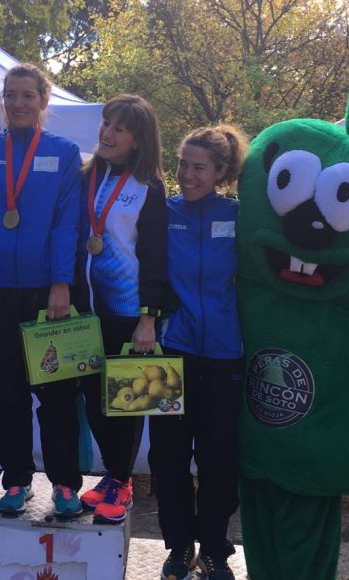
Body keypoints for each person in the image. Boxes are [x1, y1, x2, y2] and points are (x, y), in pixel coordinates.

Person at [0, 63, 82, 518]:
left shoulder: (64, 152)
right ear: (2, 101)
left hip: (43, 292)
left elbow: (65, 223)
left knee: (55, 395)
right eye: (10, 95)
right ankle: (16, 480)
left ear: (43, 100)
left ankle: (66, 484)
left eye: (28, 95)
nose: (18, 103)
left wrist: (60, 282)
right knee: (7, 393)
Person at [154, 126, 247, 580]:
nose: (187, 175)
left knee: (218, 457)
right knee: (167, 456)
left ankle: (213, 549)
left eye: (198, 167)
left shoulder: (241, 215)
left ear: (221, 172)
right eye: (183, 165)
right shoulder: (163, 211)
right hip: (171, 352)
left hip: (227, 354)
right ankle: (177, 546)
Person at [71, 94, 167, 525]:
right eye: (106, 124)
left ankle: (123, 483)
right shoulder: (84, 176)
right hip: (85, 310)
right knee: (93, 400)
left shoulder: (149, 187)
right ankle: (111, 476)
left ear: (138, 139)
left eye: (120, 129)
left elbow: (155, 255)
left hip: (130, 313)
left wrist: (149, 317)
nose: (107, 134)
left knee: (127, 401)